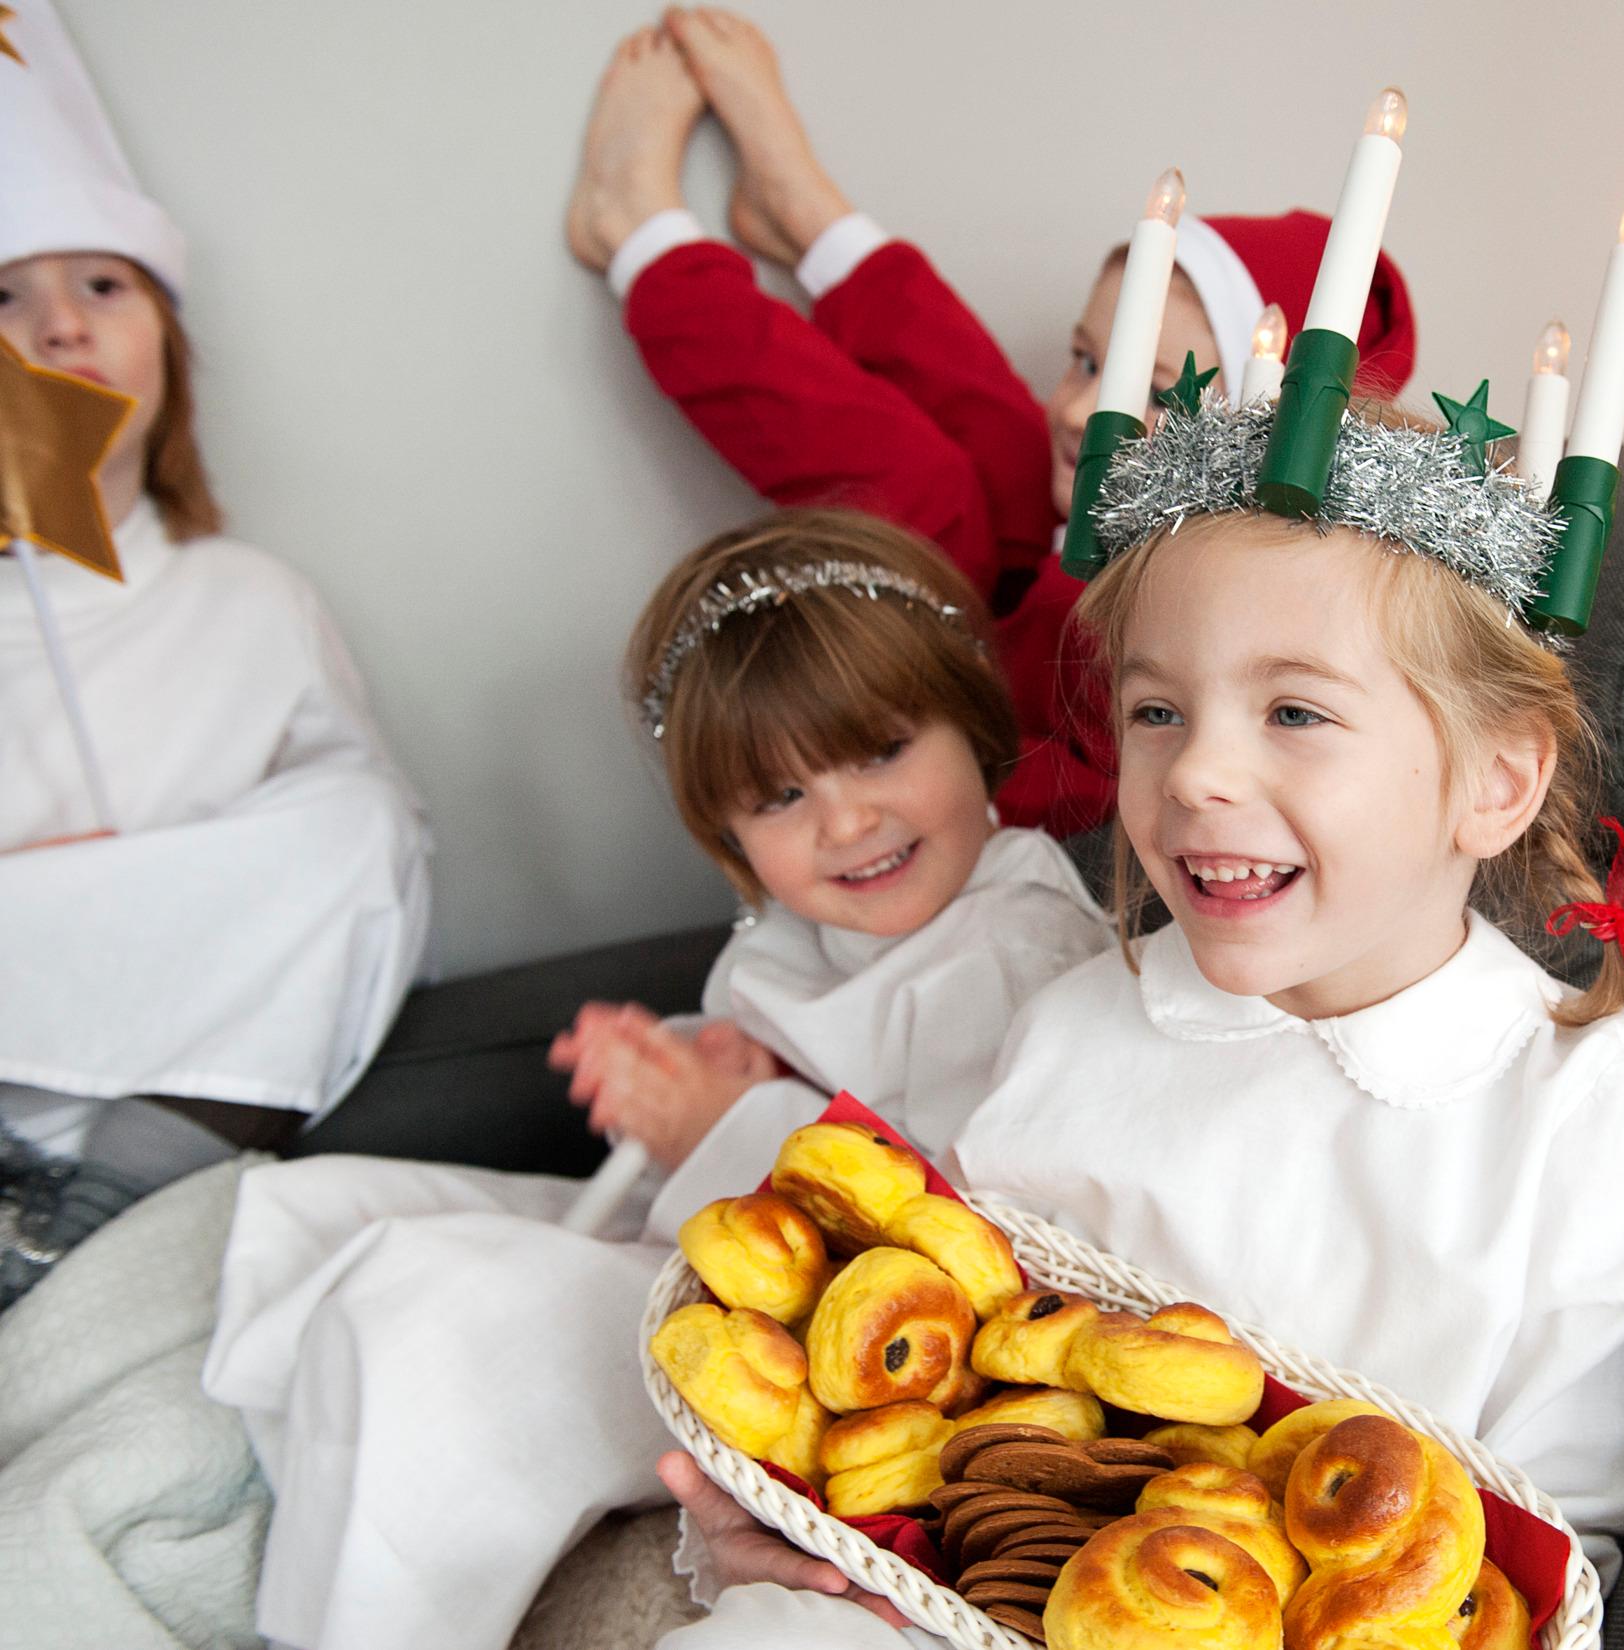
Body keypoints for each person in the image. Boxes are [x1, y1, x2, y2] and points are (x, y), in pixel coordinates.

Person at [653, 398, 1624, 1647]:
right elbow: (960, 1379)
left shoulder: (1574, 1119)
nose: (1196, 773)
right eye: (1158, 712)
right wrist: (779, 1532)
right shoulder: (1074, 1023)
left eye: (1293, 714)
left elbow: (1551, 1560)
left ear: (1493, 781)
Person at [201, 510, 1111, 1650]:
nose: (845, 820)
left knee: (435, 1315)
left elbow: (985, 1237)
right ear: (728, 836)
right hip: (715, 1240)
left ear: (973, 732)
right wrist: (707, 1062)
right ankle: (336, 1529)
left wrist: (733, 1123)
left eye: (882, 751)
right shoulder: (798, 929)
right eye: (780, 799)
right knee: (325, 1210)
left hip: (844, 1355)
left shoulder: (1017, 941)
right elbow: (805, 1026)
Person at [562, 7, 1418, 836]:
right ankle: (814, 223)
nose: (1083, 404)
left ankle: (650, 251)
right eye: (1087, 359)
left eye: (1155, 390)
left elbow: (1066, 796)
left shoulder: (1174, 616)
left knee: (920, 490)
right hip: (1036, 608)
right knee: (1009, 433)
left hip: (999, 764)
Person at [0, 0, 429, 1305]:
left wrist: (136, 888)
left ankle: (96, 1220)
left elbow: (363, 883)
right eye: (4, 296)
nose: (61, 328)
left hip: (172, 1111)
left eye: (102, 284)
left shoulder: (251, 600)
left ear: (170, 349)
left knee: (362, 825)